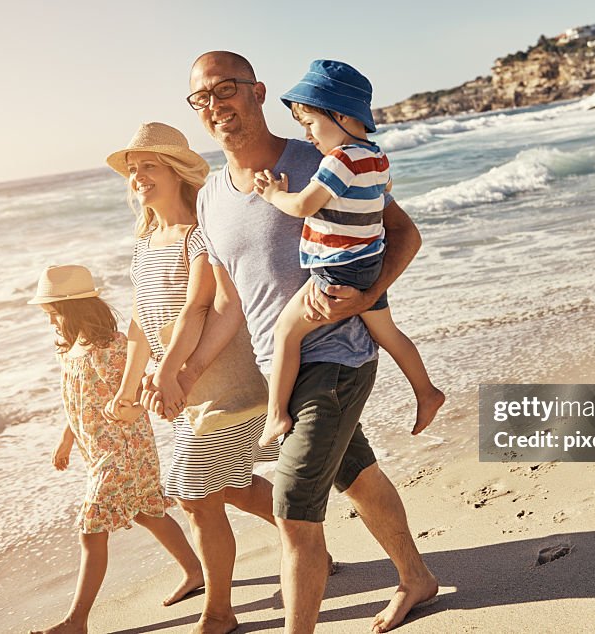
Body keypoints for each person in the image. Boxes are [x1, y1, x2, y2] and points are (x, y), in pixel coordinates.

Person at [143, 51, 439, 634]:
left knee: (294, 511)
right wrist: (184, 369)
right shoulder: (210, 197)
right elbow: (228, 302)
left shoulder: (319, 159)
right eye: (201, 97)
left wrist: (366, 294)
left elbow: (404, 233)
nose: (215, 104)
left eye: (226, 89)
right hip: (279, 366)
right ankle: (416, 577)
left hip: (337, 355)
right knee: (358, 476)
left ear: (257, 92)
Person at [102, 122, 280, 634]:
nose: (138, 178)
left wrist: (169, 372)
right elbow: (141, 319)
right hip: (178, 387)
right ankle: (307, 538)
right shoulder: (145, 240)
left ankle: (220, 612)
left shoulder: (202, 232)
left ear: (177, 171)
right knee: (232, 487)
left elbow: (195, 311)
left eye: (148, 167)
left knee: (196, 496)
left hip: (220, 386)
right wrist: (129, 385)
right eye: (133, 171)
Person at [252, 59, 444, 449]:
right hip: (367, 265)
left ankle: (276, 416)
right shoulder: (376, 156)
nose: (307, 135)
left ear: (339, 115)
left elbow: (305, 205)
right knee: (388, 333)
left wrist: (273, 193)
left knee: (286, 332)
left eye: (310, 124)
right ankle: (426, 391)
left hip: (336, 271)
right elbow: (379, 194)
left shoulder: (339, 159)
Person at [27, 264, 203, 634]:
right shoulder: (68, 348)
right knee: (146, 512)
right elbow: (77, 401)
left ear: (74, 310)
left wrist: (134, 408)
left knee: (91, 529)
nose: (51, 323)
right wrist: (66, 438)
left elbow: (141, 391)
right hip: (97, 452)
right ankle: (195, 571)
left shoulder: (112, 347)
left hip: (124, 450)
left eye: (53, 314)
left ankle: (77, 621)